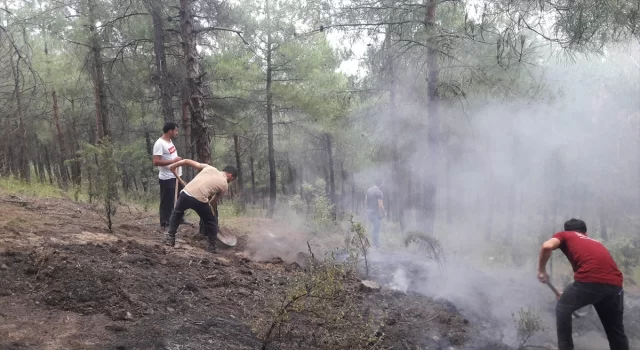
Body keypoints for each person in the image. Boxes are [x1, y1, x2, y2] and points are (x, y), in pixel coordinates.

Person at [537, 218, 628, 350]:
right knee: (615, 331)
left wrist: (542, 270)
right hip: (616, 287)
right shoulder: (596, 242)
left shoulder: (565, 235)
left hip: (590, 282)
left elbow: (546, 246)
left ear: (567, 230)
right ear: (585, 232)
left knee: (562, 308)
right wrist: (569, 294)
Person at [165, 159, 237, 252]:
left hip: (185, 193)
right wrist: (207, 208)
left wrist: (174, 165)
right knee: (211, 221)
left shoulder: (209, 167)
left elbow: (186, 161)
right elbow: (213, 202)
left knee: (176, 214)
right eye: (232, 179)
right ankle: (212, 246)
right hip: (200, 199)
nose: (230, 181)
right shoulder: (224, 185)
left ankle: (170, 238)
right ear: (230, 175)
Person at [152, 122, 185, 229]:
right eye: (176, 130)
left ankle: (178, 218)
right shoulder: (159, 143)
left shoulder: (169, 142)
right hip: (167, 177)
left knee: (179, 198)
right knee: (167, 201)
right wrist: (173, 161)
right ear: (170, 131)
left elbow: (170, 156)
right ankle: (165, 222)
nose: (177, 133)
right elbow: (156, 162)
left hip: (176, 175)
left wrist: (177, 160)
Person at [365, 179, 385, 248]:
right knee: (376, 228)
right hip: (375, 213)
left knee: (374, 227)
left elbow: (366, 202)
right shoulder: (379, 192)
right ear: (381, 184)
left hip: (369, 212)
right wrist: (383, 213)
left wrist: (367, 210)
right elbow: (380, 205)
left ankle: (374, 243)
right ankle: (375, 245)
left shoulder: (369, 190)